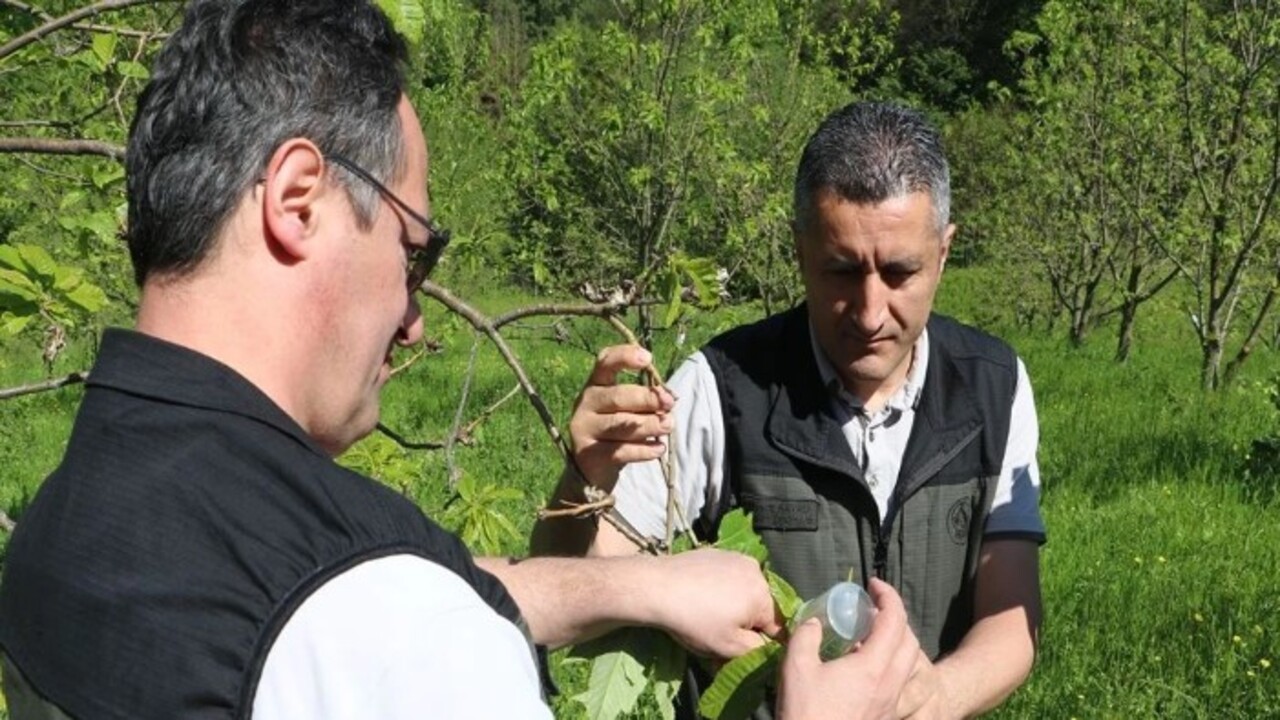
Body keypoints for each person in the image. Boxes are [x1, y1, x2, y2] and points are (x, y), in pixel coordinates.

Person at [0, 3, 920, 718]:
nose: (414, 323)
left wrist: (647, 585)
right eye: (416, 254)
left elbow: (411, 591)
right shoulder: (389, 627)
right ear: (297, 199)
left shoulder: (63, 519)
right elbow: (391, 611)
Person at [533, 101, 1045, 718]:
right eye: (842, 271)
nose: (870, 312)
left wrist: (936, 698)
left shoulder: (994, 386)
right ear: (800, 251)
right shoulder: (720, 389)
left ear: (944, 251)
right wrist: (584, 482)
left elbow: (1011, 615)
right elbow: (571, 589)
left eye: (900, 271)